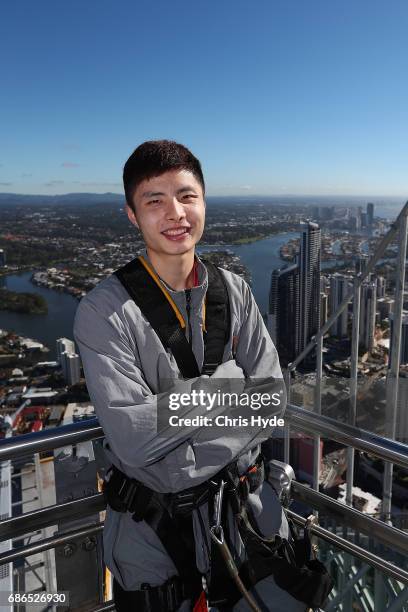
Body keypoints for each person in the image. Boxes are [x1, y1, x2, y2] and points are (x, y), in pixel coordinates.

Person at [73, 141, 308, 611]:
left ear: (203, 201)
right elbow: (134, 437)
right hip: (155, 541)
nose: (175, 213)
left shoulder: (233, 291)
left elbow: (271, 401)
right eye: (154, 200)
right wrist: (227, 384)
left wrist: (177, 443)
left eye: (187, 196)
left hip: (250, 519)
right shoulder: (103, 311)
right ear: (131, 215)